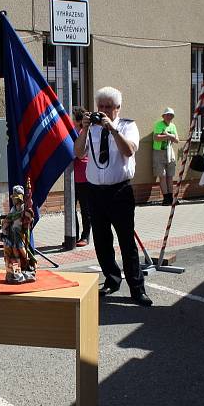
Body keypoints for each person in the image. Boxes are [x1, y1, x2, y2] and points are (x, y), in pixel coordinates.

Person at [73, 86, 152, 307]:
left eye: (109, 107)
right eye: (101, 107)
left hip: (120, 190)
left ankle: (137, 288)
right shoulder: (91, 128)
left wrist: (112, 129)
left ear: (118, 108)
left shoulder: (127, 125)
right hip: (95, 191)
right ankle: (112, 279)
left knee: (127, 241)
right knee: (101, 240)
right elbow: (79, 152)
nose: (104, 111)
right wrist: (85, 129)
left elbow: (128, 151)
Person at [0, 185, 36, 284]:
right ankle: (15, 272)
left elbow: (29, 218)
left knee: (21, 253)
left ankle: (27, 267)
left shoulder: (24, 208)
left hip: (19, 235)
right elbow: (9, 218)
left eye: (16, 198)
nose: (14, 200)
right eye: (13, 198)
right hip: (12, 234)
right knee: (13, 256)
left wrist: (28, 214)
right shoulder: (13, 209)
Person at [72, 107, 92, 246]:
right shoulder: (72, 132)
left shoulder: (84, 132)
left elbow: (83, 153)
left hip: (84, 177)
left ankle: (85, 236)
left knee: (85, 209)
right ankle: (73, 235)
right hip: (73, 177)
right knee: (71, 209)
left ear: (78, 120)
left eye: (72, 117)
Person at [152, 107, 179, 206]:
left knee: (170, 176)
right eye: (167, 115)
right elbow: (156, 137)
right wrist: (169, 136)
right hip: (159, 152)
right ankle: (166, 198)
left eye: (171, 115)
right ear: (163, 116)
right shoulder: (158, 124)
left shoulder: (173, 126)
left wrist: (168, 135)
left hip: (169, 152)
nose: (169, 117)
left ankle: (171, 198)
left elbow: (177, 140)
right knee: (162, 175)